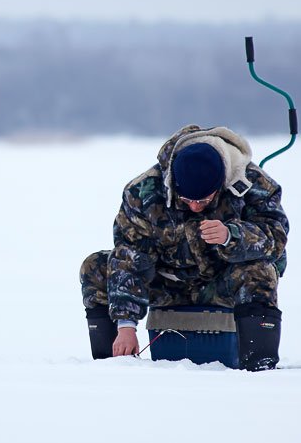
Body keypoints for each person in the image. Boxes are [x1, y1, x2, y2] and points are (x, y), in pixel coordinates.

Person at [80, 125, 289, 371]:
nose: (195, 208)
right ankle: (113, 365)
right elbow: (130, 256)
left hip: (223, 283)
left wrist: (231, 236)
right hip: (165, 282)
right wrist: (126, 325)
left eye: (203, 201)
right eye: (187, 200)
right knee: (95, 266)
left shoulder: (253, 183)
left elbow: (276, 239)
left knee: (260, 270)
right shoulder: (143, 192)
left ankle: (259, 365)